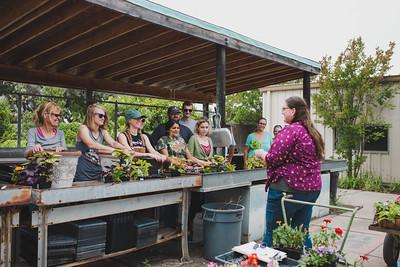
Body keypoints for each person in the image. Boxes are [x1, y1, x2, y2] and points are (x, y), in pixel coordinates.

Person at [254, 96, 325, 249]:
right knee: (300, 232)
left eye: (284, 109)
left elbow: (273, 158)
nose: (282, 112)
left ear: (293, 111)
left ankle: (269, 260)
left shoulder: (291, 130)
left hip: (288, 190)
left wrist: (261, 153)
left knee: (274, 233)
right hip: (311, 189)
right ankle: (307, 260)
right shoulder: (311, 131)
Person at [74, 104, 127, 181]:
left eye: (104, 116)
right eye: (100, 116)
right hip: (83, 171)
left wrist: (126, 150)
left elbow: (113, 143)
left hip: (97, 170)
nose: (103, 118)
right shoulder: (83, 128)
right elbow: (91, 144)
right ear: (91, 115)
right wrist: (113, 150)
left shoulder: (102, 131)